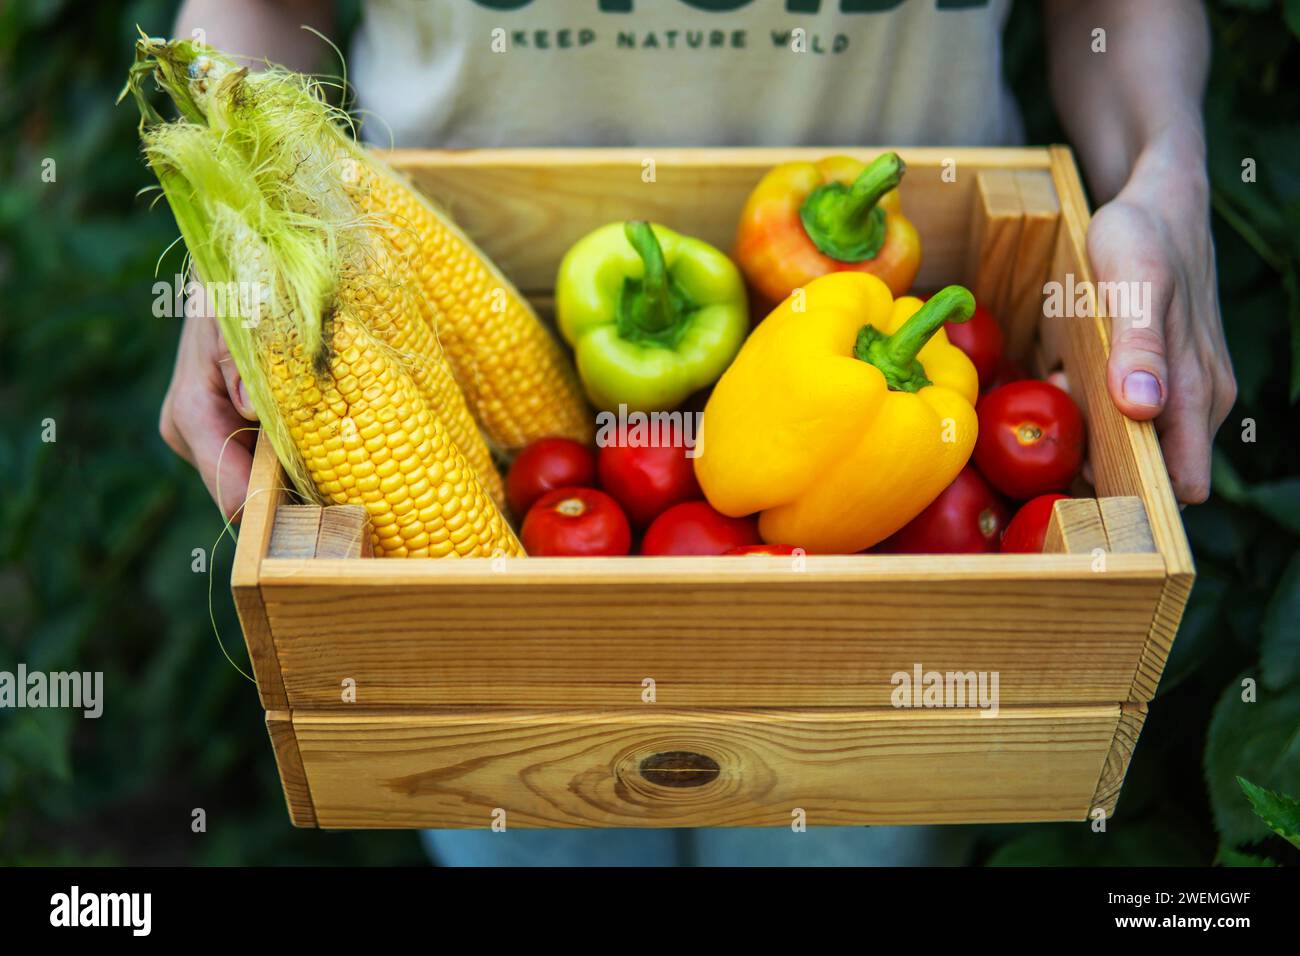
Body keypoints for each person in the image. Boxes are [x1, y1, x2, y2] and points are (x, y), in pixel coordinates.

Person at [159, 0, 1235, 865]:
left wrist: (1167, 176)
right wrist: (241, 235)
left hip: (889, 626)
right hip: (437, 295)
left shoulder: (915, 383)